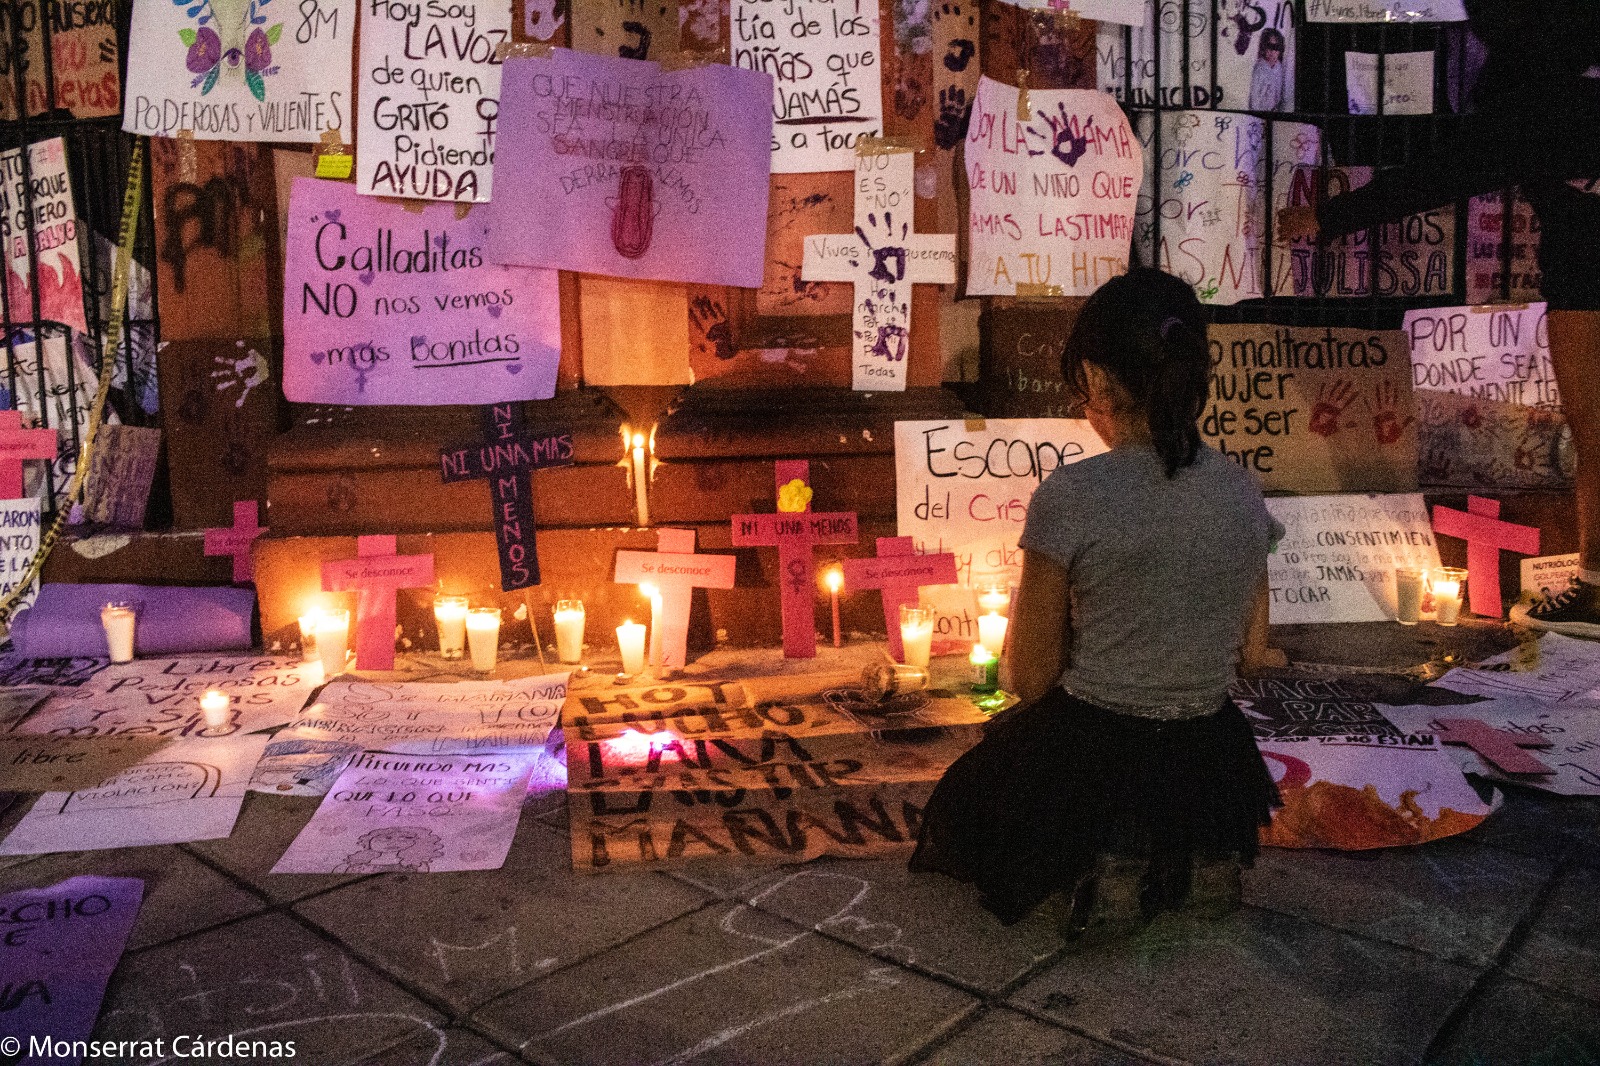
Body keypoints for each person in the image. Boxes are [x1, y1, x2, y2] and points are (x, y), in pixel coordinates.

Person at [909, 269, 1282, 937]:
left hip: (1099, 737)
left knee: (977, 796)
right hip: (1209, 742)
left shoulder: (1073, 495)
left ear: (1098, 382)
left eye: (1082, 392)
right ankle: (1200, 850)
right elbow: (1253, 633)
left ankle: (1113, 859)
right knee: (1177, 753)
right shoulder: (1241, 492)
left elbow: (1029, 675)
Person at [1278, 0, 1600, 638]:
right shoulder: (1535, 104)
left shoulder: (1526, 106)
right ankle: (1594, 583)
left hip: (1583, 283)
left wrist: (1328, 219)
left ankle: (1595, 584)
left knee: (1595, 437)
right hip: (1580, 284)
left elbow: (1434, 178)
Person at [1248, 28, 1289, 113]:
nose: (1272, 51)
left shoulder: (1279, 68)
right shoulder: (1259, 68)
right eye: (1269, 46)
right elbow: (1254, 99)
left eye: (1276, 48)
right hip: (1260, 113)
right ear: (1264, 47)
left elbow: (1280, 94)